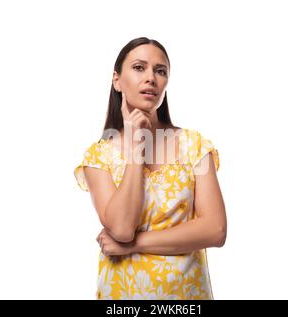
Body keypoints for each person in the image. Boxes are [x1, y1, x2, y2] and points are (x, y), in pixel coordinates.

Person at [74, 37, 227, 299]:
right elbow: (121, 228)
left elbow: (215, 229)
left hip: (186, 298)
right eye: (138, 67)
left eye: (160, 71)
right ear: (117, 80)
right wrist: (135, 150)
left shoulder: (193, 145)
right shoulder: (98, 156)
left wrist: (132, 245)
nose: (151, 78)